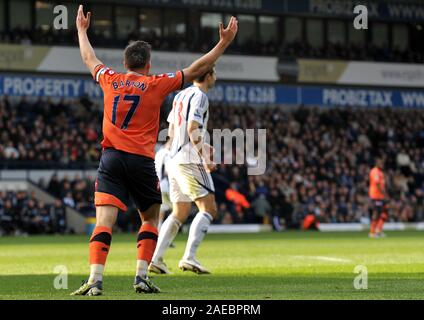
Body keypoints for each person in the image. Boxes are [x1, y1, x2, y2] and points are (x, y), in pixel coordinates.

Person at [71, 5, 238, 296]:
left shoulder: (110, 79)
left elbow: (88, 57)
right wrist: (223, 42)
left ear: (126, 63)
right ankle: (141, 277)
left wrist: (82, 30)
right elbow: (198, 69)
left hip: (110, 159)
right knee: (149, 219)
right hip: (141, 161)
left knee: (104, 222)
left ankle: (95, 280)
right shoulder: (155, 84)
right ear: (147, 64)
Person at [149, 65, 220, 275]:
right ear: (208, 76)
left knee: (180, 211)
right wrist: (205, 156)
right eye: (214, 74)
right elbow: (192, 128)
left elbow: (171, 130)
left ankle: (156, 259)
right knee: (208, 208)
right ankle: (189, 257)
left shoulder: (180, 96)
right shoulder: (200, 96)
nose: (215, 77)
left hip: (173, 159)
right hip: (189, 159)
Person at [369, 158, 389, 238]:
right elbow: (377, 184)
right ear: (376, 163)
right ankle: (372, 232)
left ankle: (379, 230)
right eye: (380, 163)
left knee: (385, 212)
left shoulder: (380, 172)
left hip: (381, 196)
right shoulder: (375, 171)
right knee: (376, 212)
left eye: (382, 163)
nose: (382, 165)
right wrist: (384, 193)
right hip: (376, 195)